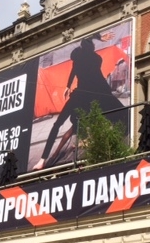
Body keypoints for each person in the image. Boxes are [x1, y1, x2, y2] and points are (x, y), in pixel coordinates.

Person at [32, 32, 126, 170]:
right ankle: (45, 159)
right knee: (69, 125)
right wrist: (68, 86)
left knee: (65, 125)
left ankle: (44, 159)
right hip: (90, 94)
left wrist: (68, 86)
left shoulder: (84, 58)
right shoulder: (95, 58)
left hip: (87, 95)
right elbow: (76, 71)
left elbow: (75, 69)